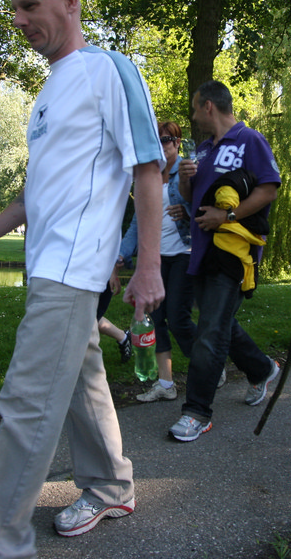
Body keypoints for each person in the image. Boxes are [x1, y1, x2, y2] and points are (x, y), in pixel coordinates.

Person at [0, 0, 165, 558]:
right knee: (80, 383)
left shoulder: (109, 69)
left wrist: (148, 265)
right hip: (47, 265)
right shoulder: (48, 92)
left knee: (27, 402)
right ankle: (112, 485)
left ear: (70, 2)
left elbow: (148, 169)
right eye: (14, 10)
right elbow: (37, 191)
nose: (19, 20)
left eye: (30, 6)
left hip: (72, 272)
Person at [168, 80, 281, 442]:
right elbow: (193, 199)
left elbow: (268, 188)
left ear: (209, 106)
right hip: (201, 249)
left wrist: (227, 217)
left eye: (194, 108)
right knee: (218, 323)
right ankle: (261, 369)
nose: (193, 115)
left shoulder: (250, 140)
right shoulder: (203, 149)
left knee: (210, 332)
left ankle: (197, 412)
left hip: (233, 251)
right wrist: (185, 182)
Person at [118, 120, 197, 402]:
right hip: (156, 259)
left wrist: (187, 213)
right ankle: (165, 384)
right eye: (157, 139)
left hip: (184, 254)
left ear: (177, 142)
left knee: (178, 318)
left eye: (166, 139)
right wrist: (122, 254)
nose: (161, 145)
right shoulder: (147, 175)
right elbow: (136, 224)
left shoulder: (187, 170)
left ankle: (208, 367)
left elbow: (205, 208)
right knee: (157, 318)